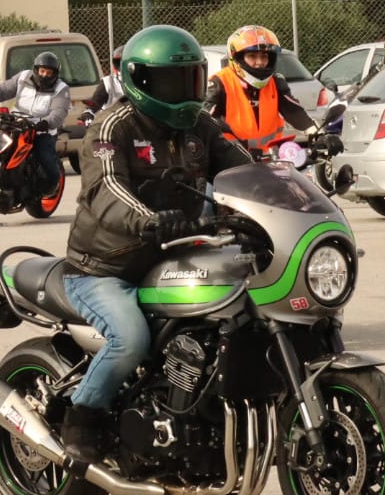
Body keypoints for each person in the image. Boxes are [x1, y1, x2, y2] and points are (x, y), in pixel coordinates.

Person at [59, 26, 253, 463]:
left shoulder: (202, 126)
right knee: (130, 339)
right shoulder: (112, 127)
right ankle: (82, 417)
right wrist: (148, 220)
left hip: (177, 256)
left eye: (190, 79)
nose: (182, 91)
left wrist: (287, 191)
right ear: (140, 80)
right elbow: (107, 188)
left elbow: (245, 170)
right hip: (106, 268)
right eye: (170, 82)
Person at [204, 25, 314, 156]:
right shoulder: (219, 83)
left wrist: (316, 133)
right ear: (237, 57)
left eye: (264, 56)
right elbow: (205, 119)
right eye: (252, 56)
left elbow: (294, 111)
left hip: (271, 158)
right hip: (232, 159)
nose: (260, 62)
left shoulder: (275, 81)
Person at [0, 51, 71, 187]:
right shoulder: (23, 77)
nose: (44, 75)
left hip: (41, 131)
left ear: (55, 74)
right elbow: (3, 90)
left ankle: (51, 185)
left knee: (44, 157)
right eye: (42, 71)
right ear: (36, 69)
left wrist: (46, 123)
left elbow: (59, 111)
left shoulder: (61, 88)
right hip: (15, 124)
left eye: (48, 73)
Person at [82, 44, 125, 118]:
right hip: (117, 120)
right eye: (119, 63)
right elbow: (96, 100)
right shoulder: (110, 82)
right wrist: (89, 111)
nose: (122, 66)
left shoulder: (143, 79)